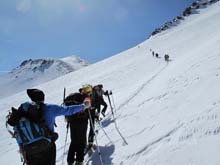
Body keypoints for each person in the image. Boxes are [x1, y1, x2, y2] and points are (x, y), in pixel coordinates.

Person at [8, 88, 90, 165]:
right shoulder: (49, 108)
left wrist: (23, 153)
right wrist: (83, 106)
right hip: (47, 146)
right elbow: (68, 110)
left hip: (29, 151)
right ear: (43, 98)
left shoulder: (23, 112)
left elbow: (19, 134)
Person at [64, 92, 89, 165]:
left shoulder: (71, 98)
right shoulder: (85, 97)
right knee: (81, 142)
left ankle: (70, 160)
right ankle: (79, 161)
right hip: (82, 122)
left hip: (72, 122)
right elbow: (88, 107)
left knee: (74, 141)